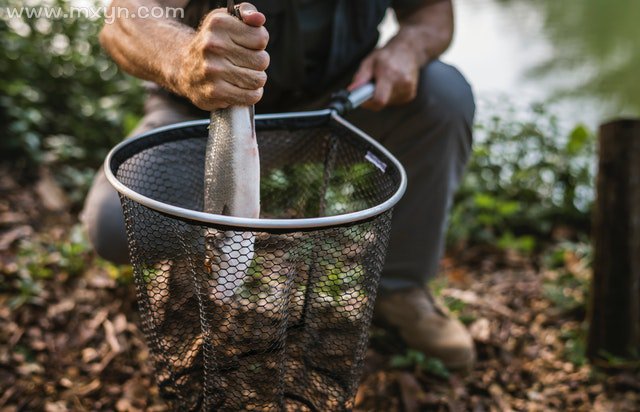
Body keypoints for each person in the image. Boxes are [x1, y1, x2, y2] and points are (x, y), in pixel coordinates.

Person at [84, 0, 476, 370]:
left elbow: (433, 13)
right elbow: (124, 16)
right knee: (115, 224)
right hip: (205, 113)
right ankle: (192, 259)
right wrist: (185, 59)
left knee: (444, 96)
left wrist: (408, 48)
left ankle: (400, 291)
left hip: (345, 103)